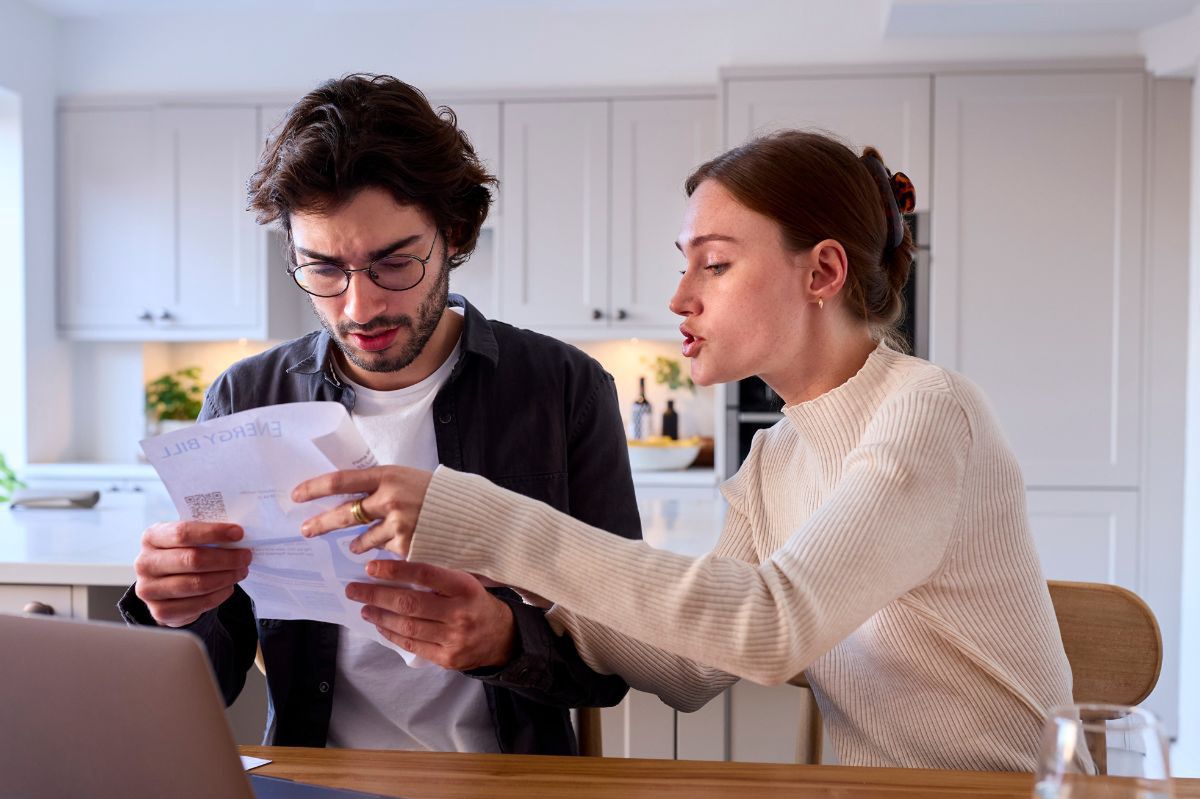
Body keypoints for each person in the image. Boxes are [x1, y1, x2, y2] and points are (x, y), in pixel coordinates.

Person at [292, 130, 1076, 771]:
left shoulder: (928, 411)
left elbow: (770, 628)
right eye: (684, 261)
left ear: (823, 271)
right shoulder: (778, 456)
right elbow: (690, 669)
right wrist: (517, 589)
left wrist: (487, 521)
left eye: (716, 262)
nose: (679, 296)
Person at [118, 74, 642, 756]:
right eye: (324, 269)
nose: (359, 307)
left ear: (454, 232)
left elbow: (619, 658)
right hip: (319, 776)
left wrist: (505, 639)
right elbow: (208, 681)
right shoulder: (246, 397)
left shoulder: (565, 389)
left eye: (394, 263)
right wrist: (173, 609)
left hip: (512, 780)